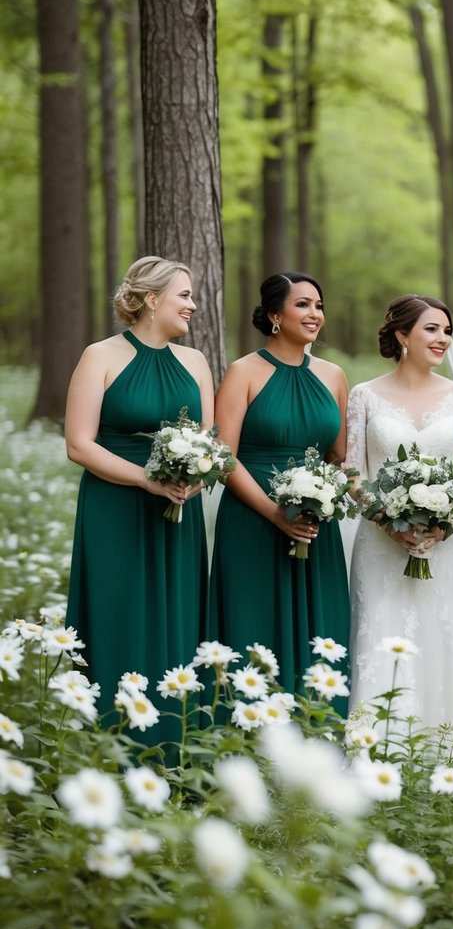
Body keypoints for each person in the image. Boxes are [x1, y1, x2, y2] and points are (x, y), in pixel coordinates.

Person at [65, 256, 214, 716]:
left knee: (178, 617)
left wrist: (195, 475)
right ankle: (113, 735)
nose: (193, 305)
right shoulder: (100, 356)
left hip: (178, 511)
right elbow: (78, 444)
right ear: (152, 300)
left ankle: (175, 739)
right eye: (184, 295)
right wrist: (147, 480)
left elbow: (209, 441)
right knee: (120, 614)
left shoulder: (196, 361)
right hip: (115, 507)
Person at [346, 295, 453, 730]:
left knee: (443, 639)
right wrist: (389, 522)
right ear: (401, 335)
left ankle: (449, 747)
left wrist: (440, 529)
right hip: (379, 542)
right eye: (431, 329)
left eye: (447, 330)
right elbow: (352, 472)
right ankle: (376, 746)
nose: (443, 338)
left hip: (442, 547)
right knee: (381, 635)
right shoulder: (364, 395)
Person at [208, 273, 350, 694]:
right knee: (252, 625)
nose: (314, 314)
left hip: (313, 522)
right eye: (303, 304)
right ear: (274, 315)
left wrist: (318, 500)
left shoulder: (333, 376)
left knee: (318, 632)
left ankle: (318, 728)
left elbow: (338, 455)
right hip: (252, 519)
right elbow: (224, 456)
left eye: (319, 305)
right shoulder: (243, 372)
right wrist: (275, 512)